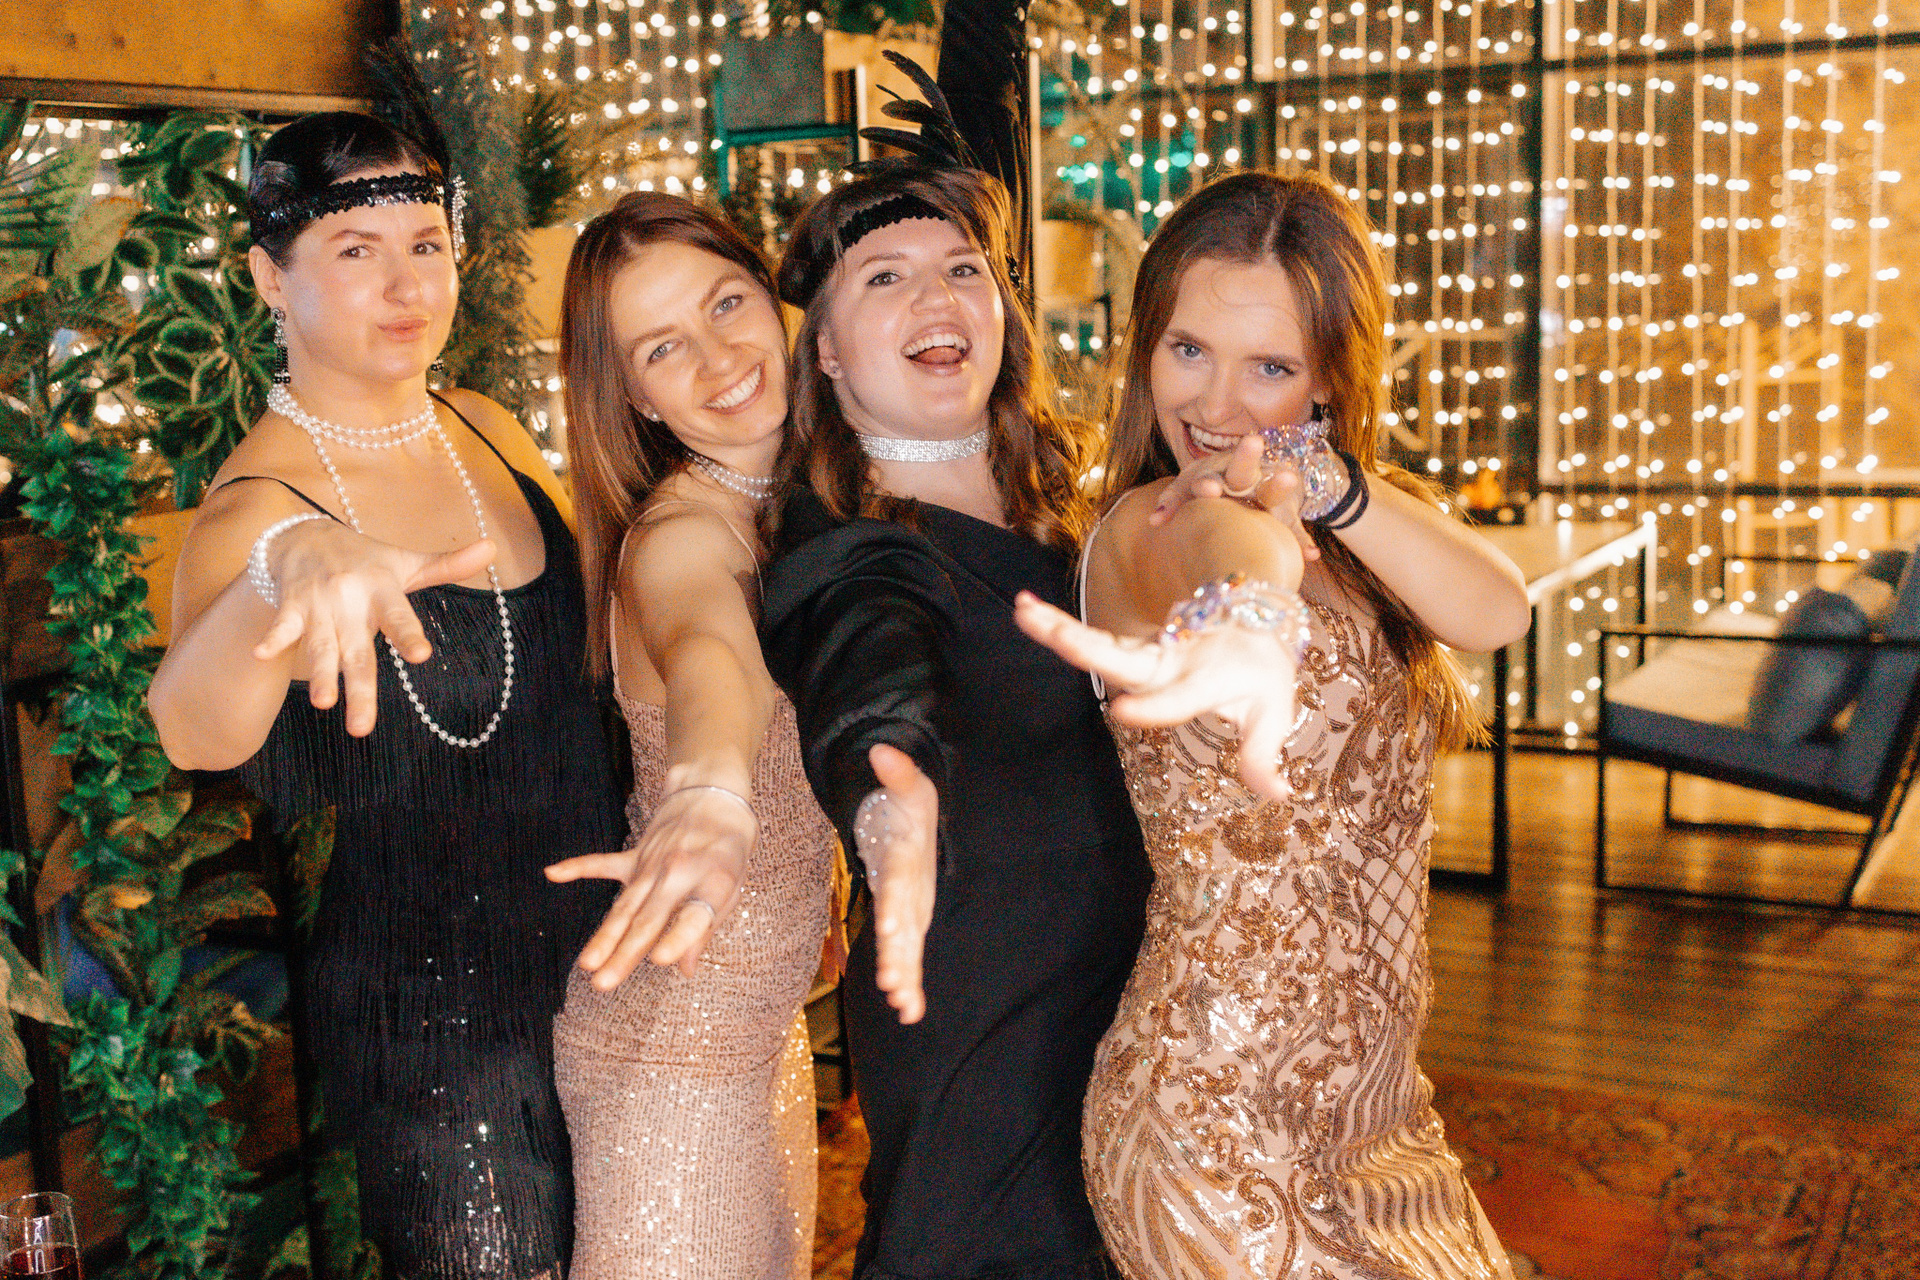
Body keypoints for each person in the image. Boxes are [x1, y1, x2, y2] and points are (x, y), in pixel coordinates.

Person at [1013, 169, 1527, 1280]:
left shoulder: (1350, 523)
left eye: (1272, 367)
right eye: (1189, 349)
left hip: (1382, 1111)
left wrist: (1330, 486)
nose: (1217, 405)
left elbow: (1498, 612)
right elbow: (1230, 552)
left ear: (1330, 376)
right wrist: (1250, 611)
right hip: (1217, 1124)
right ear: (1146, 348)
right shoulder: (1151, 524)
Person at [146, 112, 623, 1279]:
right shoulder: (256, 505)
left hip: (612, 979)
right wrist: (286, 567)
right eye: (356, 249)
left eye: (426, 244)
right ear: (271, 277)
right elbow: (191, 728)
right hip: (439, 1040)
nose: (407, 284)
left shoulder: (487, 428)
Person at [758, 112, 1154, 1278]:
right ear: (828, 354)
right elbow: (865, 657)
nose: (937, 295)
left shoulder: (1078, 505)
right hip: (988, 1026)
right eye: (884, 276)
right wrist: (890, 794)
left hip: (1146, 1001)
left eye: (963, 268)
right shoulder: (845, 544)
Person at [541, 192, 935, 1279]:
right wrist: (710, 791)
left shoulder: (801, 502)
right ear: (632, 393)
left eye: (726, 304)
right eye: (664, 348)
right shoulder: (679, 536)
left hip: (760, 1039)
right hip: (670, 1062)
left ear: (773, 295)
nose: (719, 359)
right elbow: (712, 662)